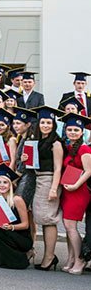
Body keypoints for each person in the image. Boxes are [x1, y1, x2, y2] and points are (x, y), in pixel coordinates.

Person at [0, 165, 33, 269]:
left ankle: (18, 260)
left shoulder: (17, 199)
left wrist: (11, 227)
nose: (2, 185)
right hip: (6, 231)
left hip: (21, 237)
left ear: (10, 185)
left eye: (5, 182)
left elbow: (26, 225)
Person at [31, 106, 64, 270]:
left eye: (48, 123)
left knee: (48, 219)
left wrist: (53, 188)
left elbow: (58, 168)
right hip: (40, 179)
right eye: (42, 122)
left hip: (49, 180)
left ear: (53, 124)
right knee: (43, 219)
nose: (45, 125)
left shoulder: (56, 143)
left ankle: (49, 257)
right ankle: (48, 256)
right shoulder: (39, 140)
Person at [58, 112, 91, 274]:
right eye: (69, 129)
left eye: (76, 130)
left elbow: (88, 171)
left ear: (81, 132)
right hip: (68, 190)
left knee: (71, 226)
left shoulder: (84, 148)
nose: (72, 132)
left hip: (79, 191)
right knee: (68, 226)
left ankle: (79, 260)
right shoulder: (69, 147)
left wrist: (76, 185)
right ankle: (71, 258)